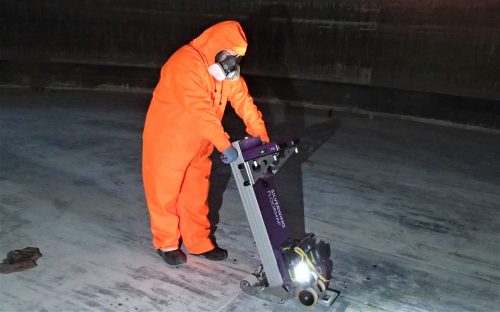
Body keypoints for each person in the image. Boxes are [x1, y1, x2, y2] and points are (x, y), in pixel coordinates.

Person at [142, 20, 269, 266]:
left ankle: (199, 243)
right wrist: (225, 145)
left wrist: (262, 138)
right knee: (165, 193)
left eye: (237, 57)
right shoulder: (184, 63)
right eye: (231, 54)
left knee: (195, 194)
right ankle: (167, 243)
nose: (233, 61)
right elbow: (200, 111)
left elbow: (244, 102)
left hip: (200, 142)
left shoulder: (223, 70)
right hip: (169, 141)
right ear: (217, 46)